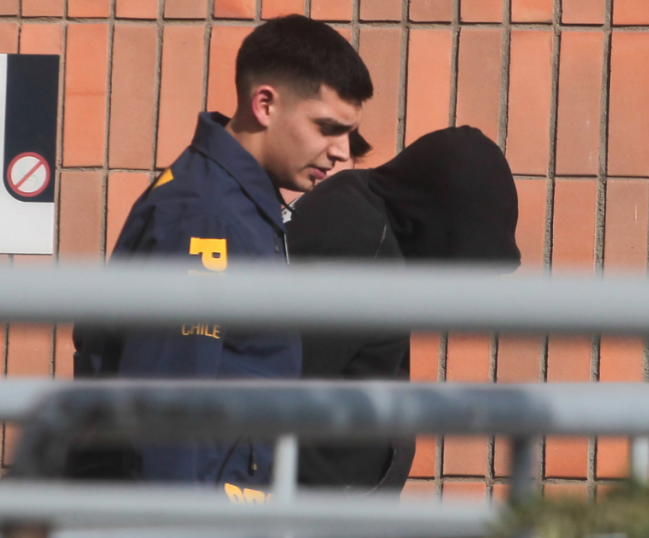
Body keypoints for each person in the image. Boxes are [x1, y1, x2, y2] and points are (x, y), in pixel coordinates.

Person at [69, 15, 373, 492]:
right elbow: (166, 410)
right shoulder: (207, 218)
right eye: (327, 128)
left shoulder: (235, 202)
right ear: (265, 104)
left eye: (348, 134)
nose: (341, 151)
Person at [285, 126, 522, 495]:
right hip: (310, 505)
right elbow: (276, 390)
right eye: (465, 267)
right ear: (434, 223)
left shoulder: (364, 211)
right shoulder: (358, 251)